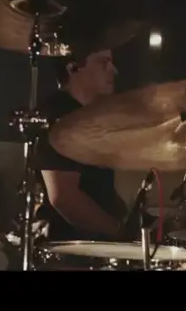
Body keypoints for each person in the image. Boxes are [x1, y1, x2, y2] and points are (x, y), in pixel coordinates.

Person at [34, 48, 128, 241]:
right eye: (103, 63)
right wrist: (121, 232)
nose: (114, 70)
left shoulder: (84, 115)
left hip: (90, 242)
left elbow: (94, 186)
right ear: (73, 68)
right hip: (68, 246)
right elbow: (64, 197)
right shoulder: (60, 113)